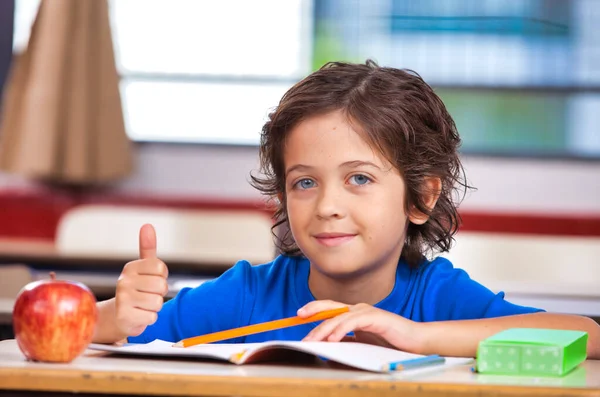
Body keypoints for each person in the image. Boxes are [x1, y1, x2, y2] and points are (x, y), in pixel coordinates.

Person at [92, 60, 600, 358]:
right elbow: (94, 336)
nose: (328, 206)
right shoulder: (247, 294)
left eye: (359, 179)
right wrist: (117, 315)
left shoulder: (436, 298)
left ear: (421, 197)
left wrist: (417, 336)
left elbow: (585, 336)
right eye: (305, 182)